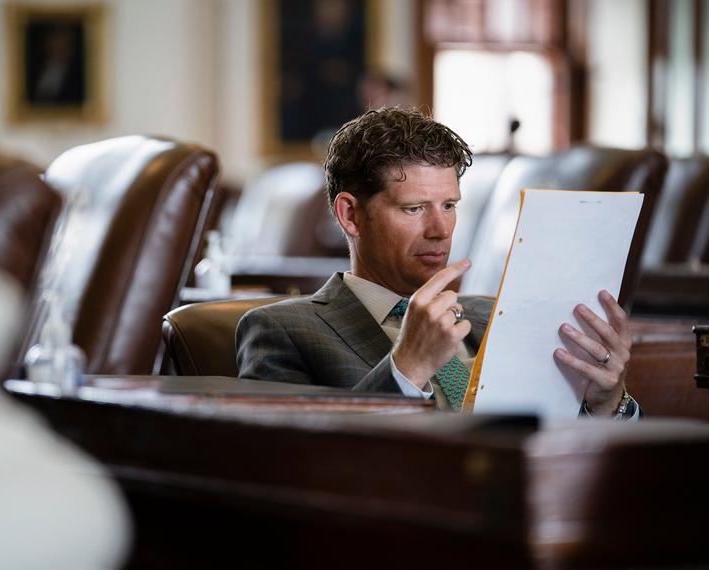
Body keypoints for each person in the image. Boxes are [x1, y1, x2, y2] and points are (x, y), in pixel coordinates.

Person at [236, 106, 639, 418]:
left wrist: (608, 404)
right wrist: (407, 367)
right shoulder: (282, 330)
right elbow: (292, 466)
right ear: (351, 215)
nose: (440, 229)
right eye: (413, 209)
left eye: (449, 205)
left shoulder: (493, 316)